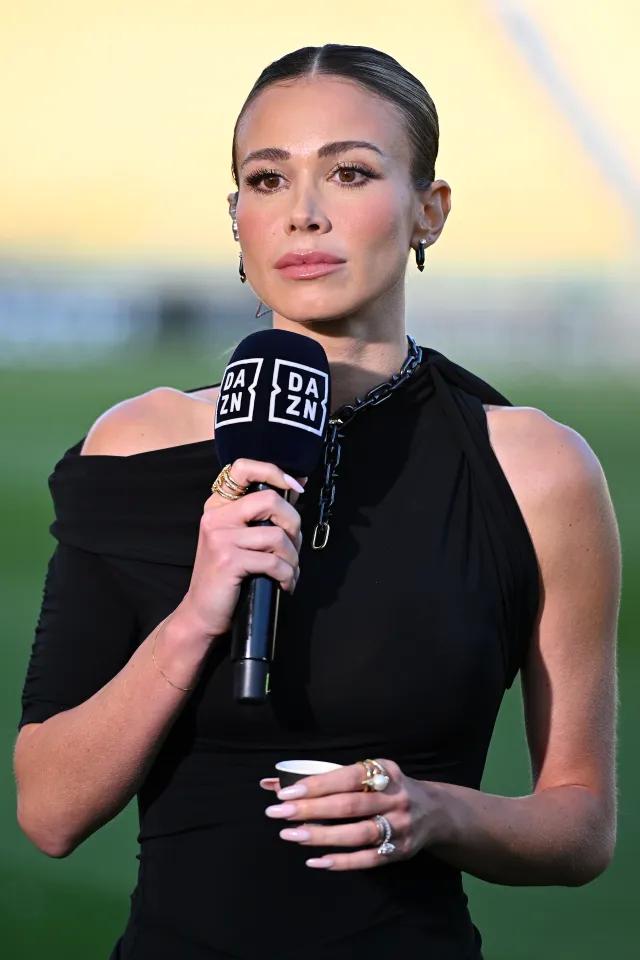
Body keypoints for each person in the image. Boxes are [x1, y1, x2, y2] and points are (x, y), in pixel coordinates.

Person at [14, 43, 620, 960]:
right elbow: (49, 811)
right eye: (268, 180)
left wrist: (435, 812)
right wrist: (196, 614)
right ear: (236, 218)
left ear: (429, 210)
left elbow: (581, 826)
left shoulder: (537, 469)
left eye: (350, 173)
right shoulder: (135, 443)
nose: (303, 213)